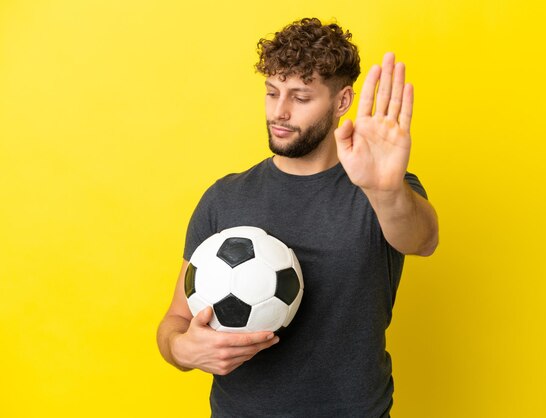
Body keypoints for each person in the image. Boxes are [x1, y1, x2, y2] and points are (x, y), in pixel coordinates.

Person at [157, 17, 439, 417]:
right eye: (272, 93)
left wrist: (385, 189)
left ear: (342, 102)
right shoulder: (224, 197)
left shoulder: (383, 189)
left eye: (301, 98)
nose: (280, 112)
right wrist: (181, 349)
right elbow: (175, 321)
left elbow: (422, 240)